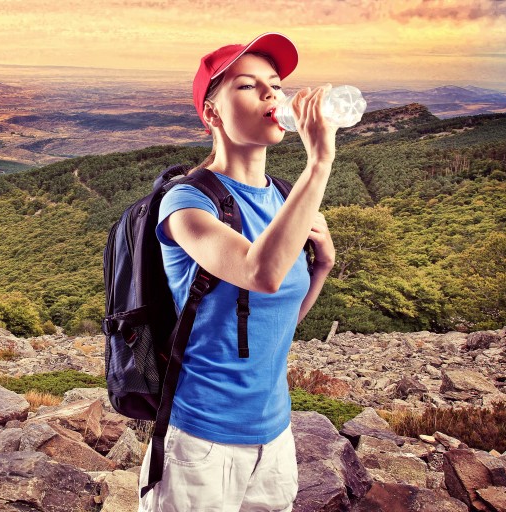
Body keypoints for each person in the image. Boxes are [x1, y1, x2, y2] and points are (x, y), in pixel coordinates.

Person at [137, 33, 337, 512]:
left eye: (275, 84)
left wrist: (324, 265)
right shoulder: (186, 203)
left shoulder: (285, 199)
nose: (272, 95)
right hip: (200, 444)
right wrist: (320, 162)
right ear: (211, 113)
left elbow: (276, 321)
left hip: (275, 437)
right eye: (248, 86)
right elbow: (260, 272)